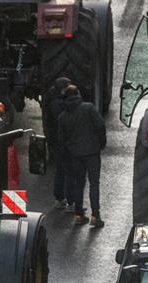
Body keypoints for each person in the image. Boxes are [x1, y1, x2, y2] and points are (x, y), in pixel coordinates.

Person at [56, 85, 107, 228]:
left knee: (79, 183)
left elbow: (61, 140)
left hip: (75, 155)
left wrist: (68, 153)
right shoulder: (89, 108)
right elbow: (100, 125)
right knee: (94, 183)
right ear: (78, 94)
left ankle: (79, 215)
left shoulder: (62, 117)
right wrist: (101, 143)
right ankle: (95, 216)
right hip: (92, 152)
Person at [41, 77, 72, 209]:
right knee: (67, 170)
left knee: (61, 169)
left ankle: (61, 198)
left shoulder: (51, 99)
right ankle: (67, 199)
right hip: (61, 142)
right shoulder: (58, 104)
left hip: (56, 140)